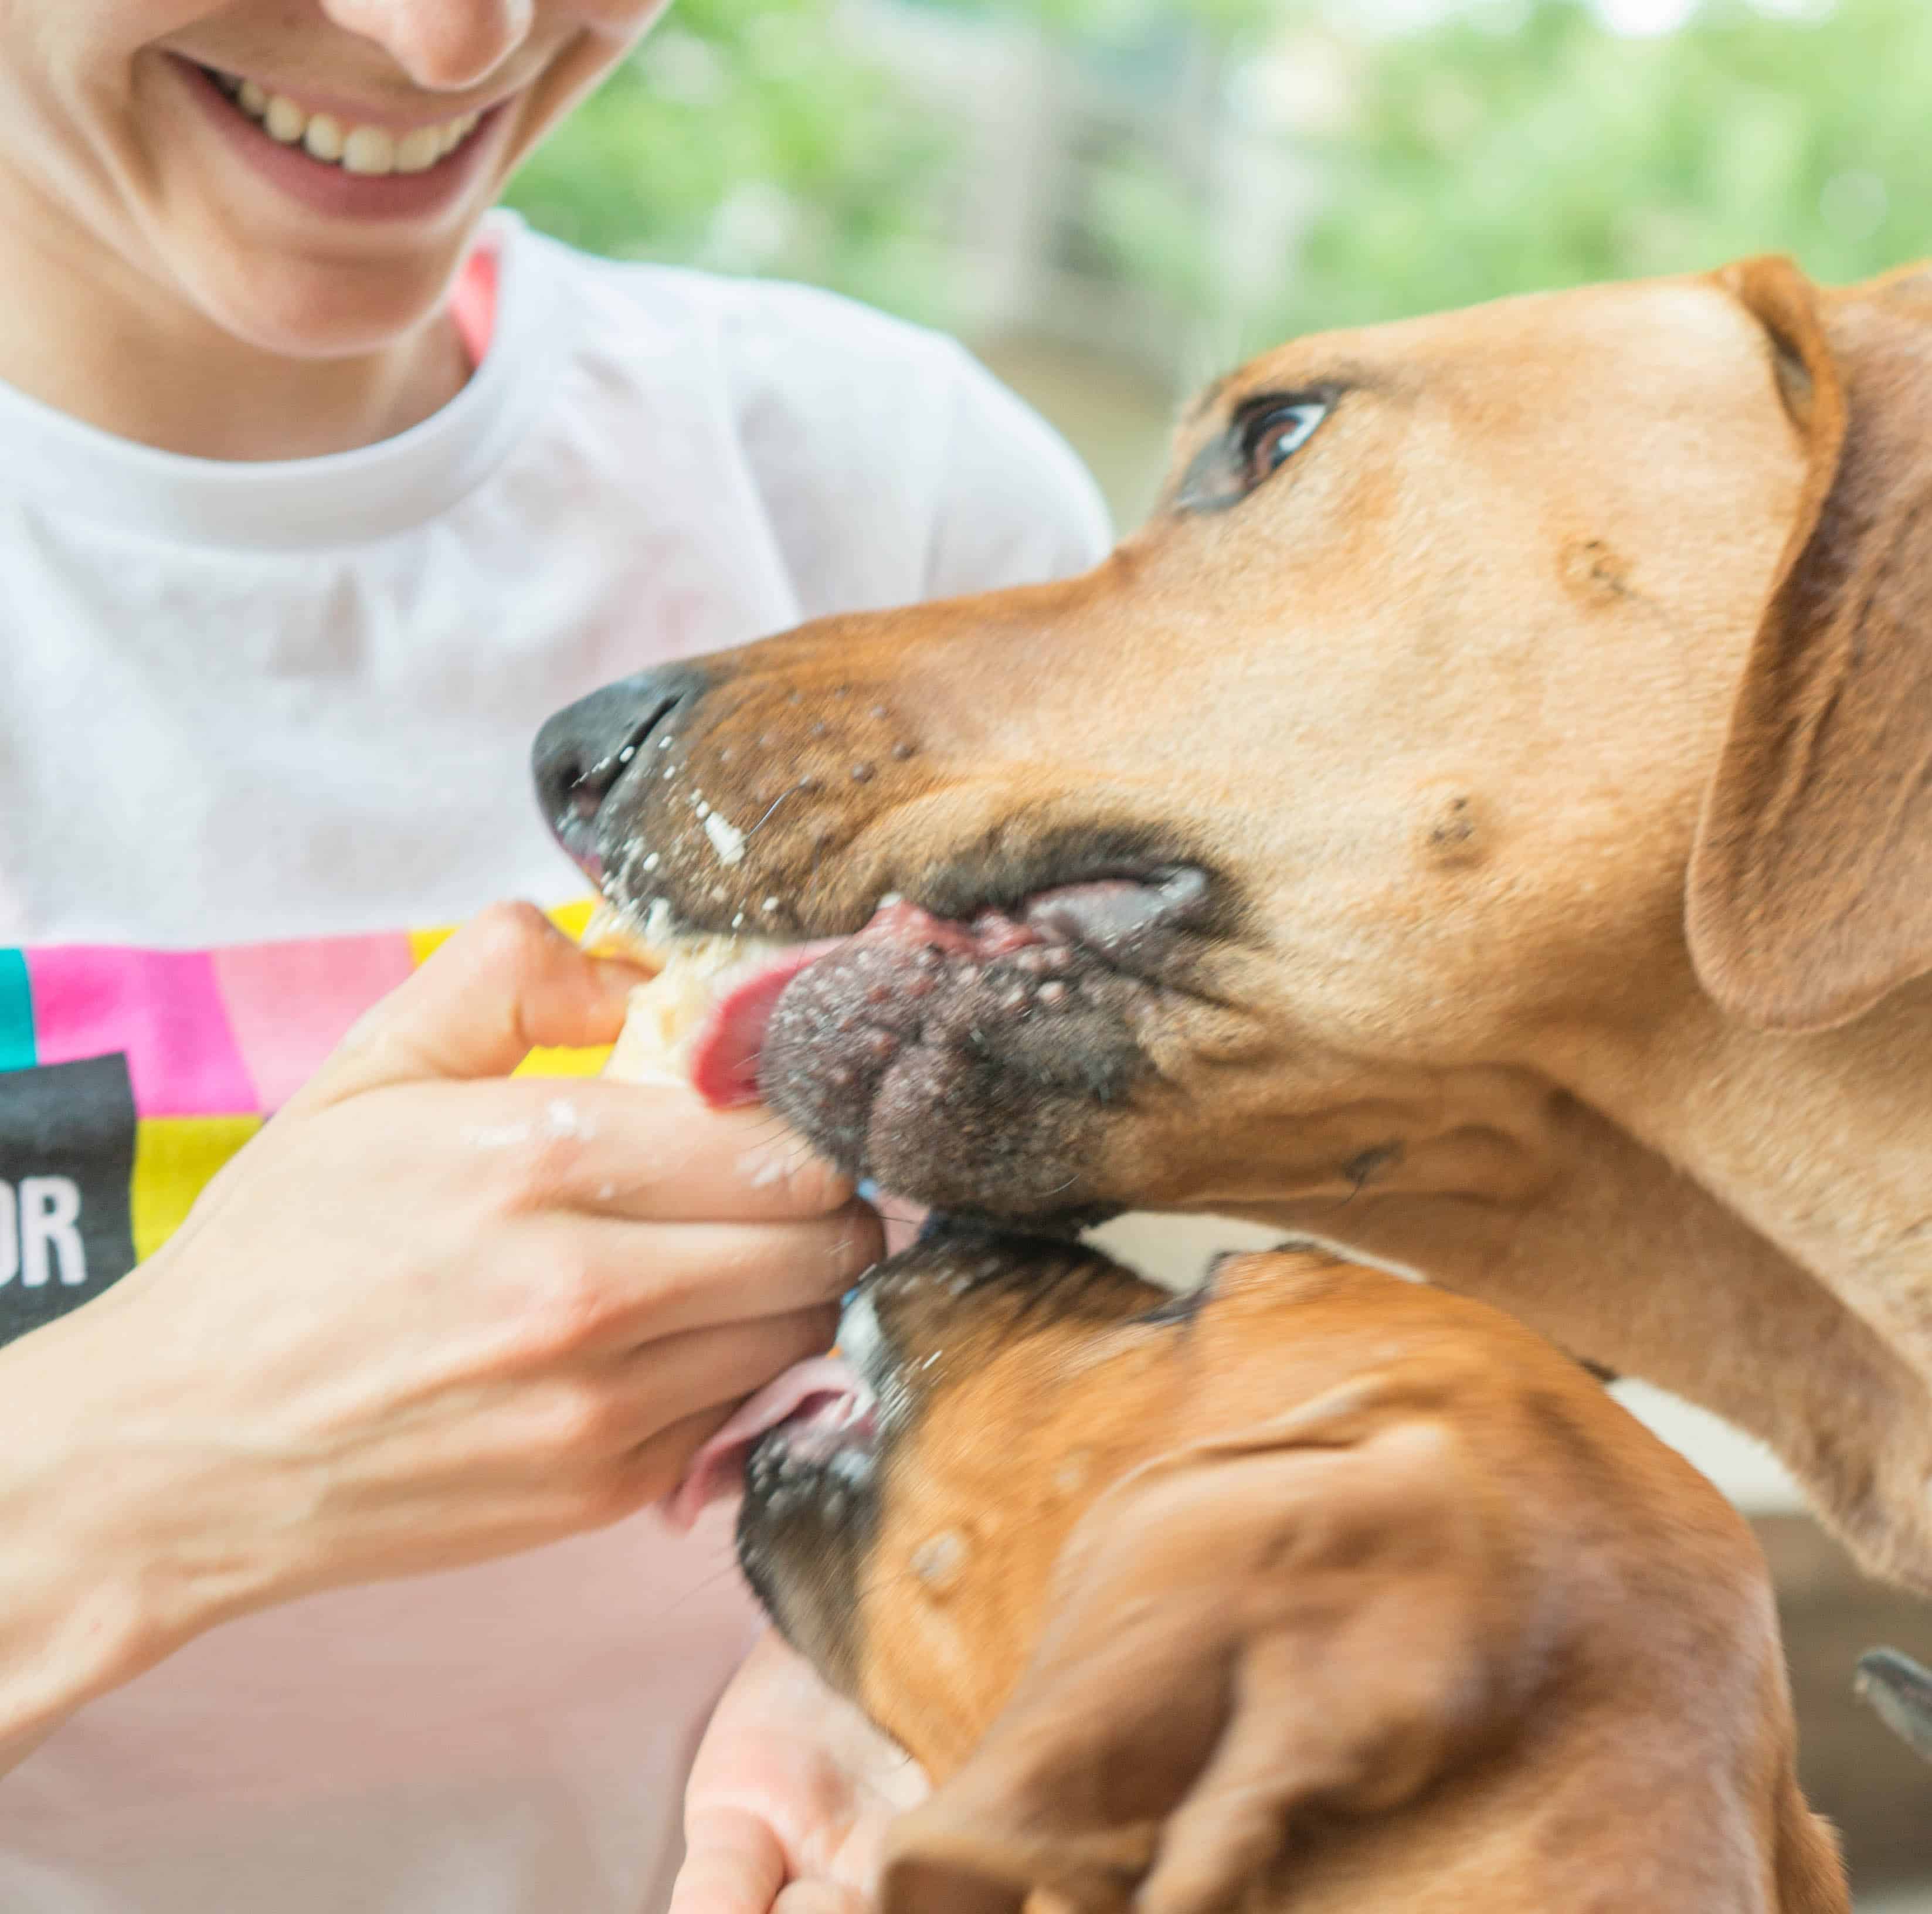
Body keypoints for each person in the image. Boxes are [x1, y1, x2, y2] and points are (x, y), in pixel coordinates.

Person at [0, 5, 1111, 1912]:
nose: (454, 42)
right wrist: (139, 1457)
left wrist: (911, 1654)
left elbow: (1089, 1368)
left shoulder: (902, 506)